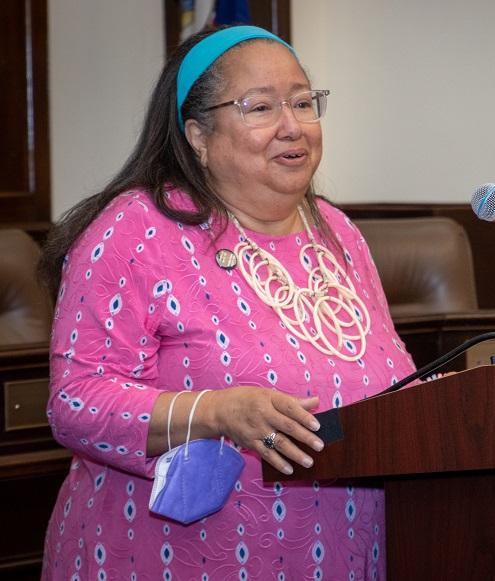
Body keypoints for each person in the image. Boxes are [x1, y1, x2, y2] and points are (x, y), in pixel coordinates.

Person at [38, 25, 416, 580]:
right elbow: (76, 403)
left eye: (304, 103)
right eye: (260, 107)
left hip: (346, 548)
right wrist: (215, 411)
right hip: (178, 557)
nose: (293, 125)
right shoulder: (135, 230)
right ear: (198, 136)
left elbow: (386, 370)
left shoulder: (336, 230)